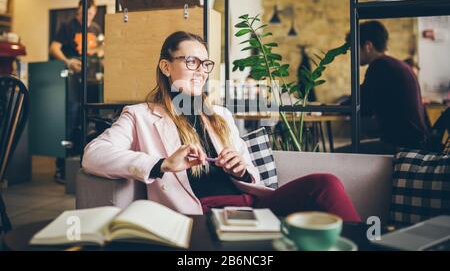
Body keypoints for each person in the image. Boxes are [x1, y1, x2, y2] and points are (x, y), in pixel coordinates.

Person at [82, 31, 361, 222]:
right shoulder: (140, 115)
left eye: (205, 63)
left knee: (325, 184)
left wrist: (241, 169)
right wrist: (163, 164)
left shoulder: (221, 116)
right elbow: (93, 154)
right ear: (166, 67)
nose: (201, 70)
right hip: (203, 213)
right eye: (191, 62)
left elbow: (251, 174)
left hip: (248, 204)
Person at [342, 21, 429, 153]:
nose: (351, 54)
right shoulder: (397, 65)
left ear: (368, 46)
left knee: (339, 154)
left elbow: (362, 105)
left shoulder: (379, 66)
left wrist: (334, 108)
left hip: (403, 147)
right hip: (416, 142)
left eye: (353, 48)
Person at [49, 0, 103, 184]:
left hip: (91, 80)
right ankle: (61, 168)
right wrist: (68, 62)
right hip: (72, 80)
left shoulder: (95, 29)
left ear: (94, 12)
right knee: (70, 120)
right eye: (83, 13)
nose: (86, 16)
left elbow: (97, 50)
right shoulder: (67, 26)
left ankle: (82, 165)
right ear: (77, 11)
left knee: (88, 122)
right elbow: (54, 47)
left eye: (90, 13)